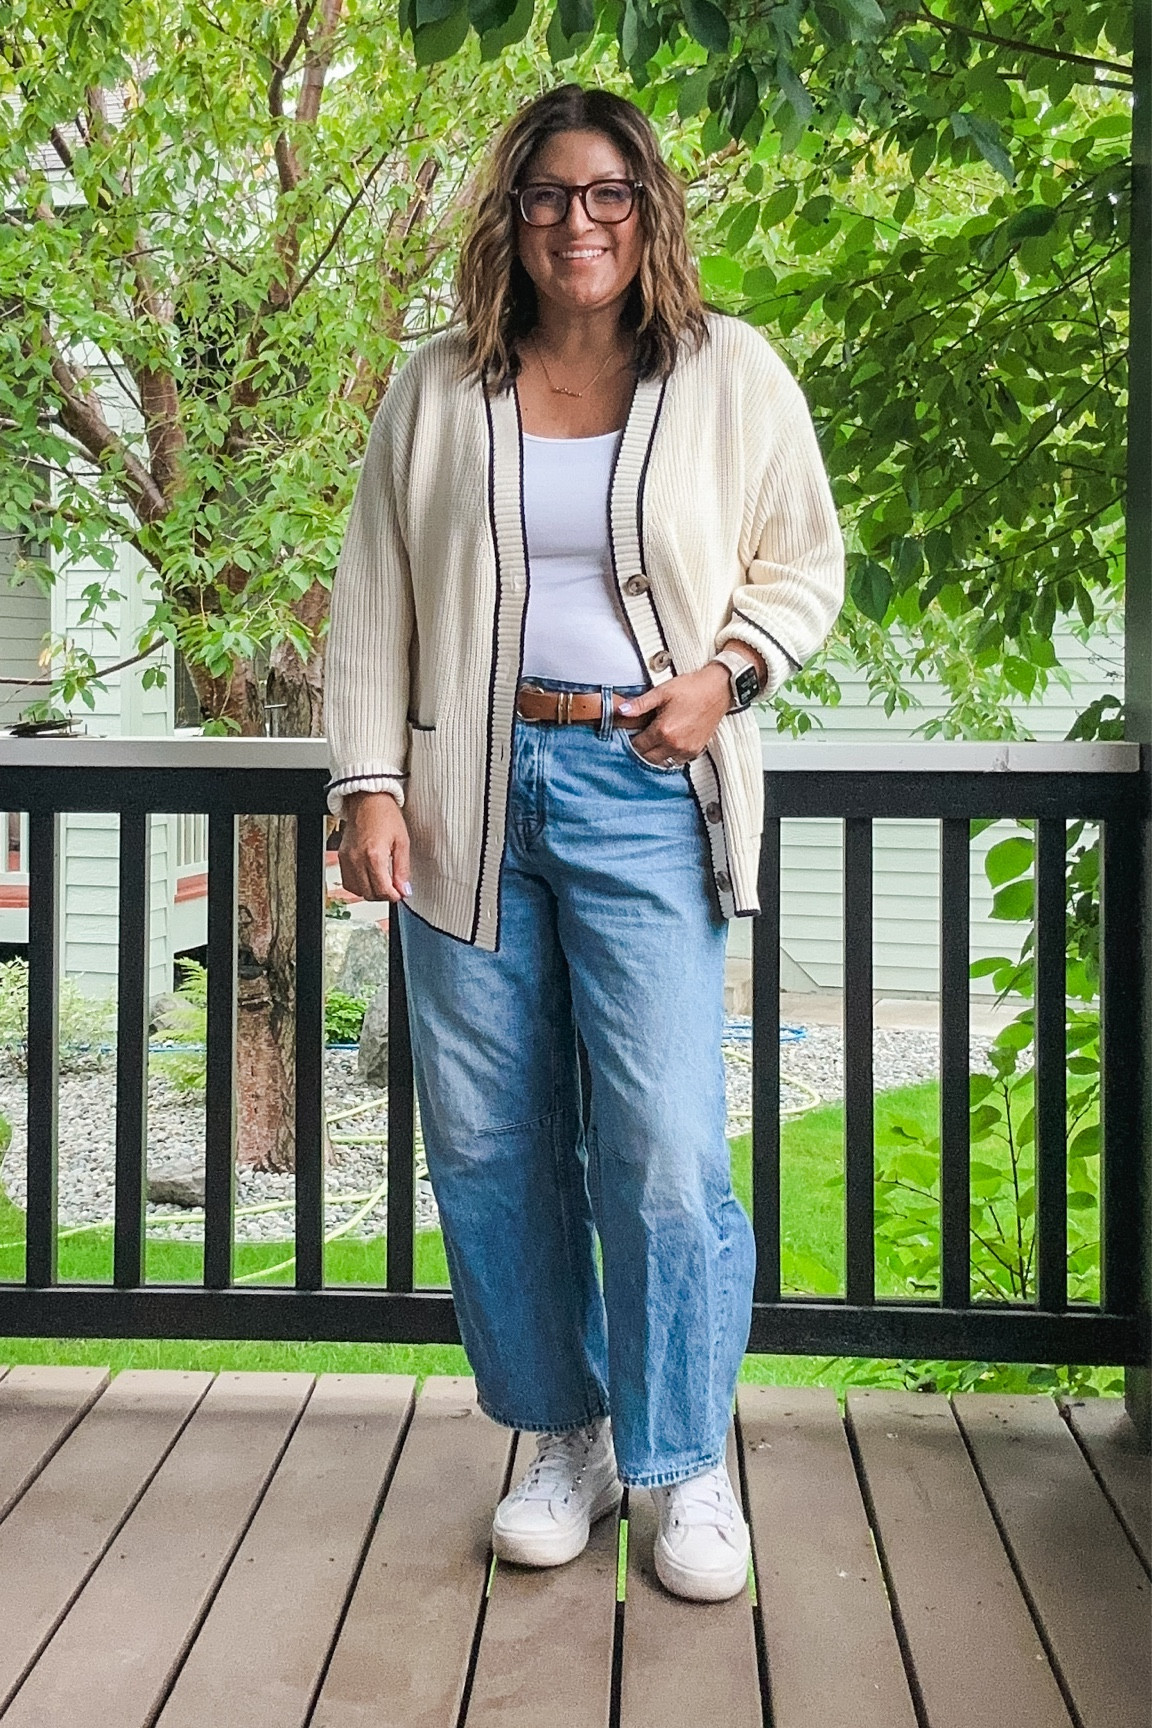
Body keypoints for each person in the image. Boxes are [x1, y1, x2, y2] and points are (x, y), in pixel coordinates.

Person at [326, 83, 844, 1603]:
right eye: (549, 195)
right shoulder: (436, 387)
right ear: (514, 218)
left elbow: (803, 561)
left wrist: (728, 674)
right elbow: (374, 598)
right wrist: (367, 782)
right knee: (491, 1147)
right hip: (463, 797)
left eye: (608, 192)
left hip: (643, 788)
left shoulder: (728, 373)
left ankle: (684, 1461)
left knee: (670, 1148)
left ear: (650, 209)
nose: (579, 222)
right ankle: (566, 1438)